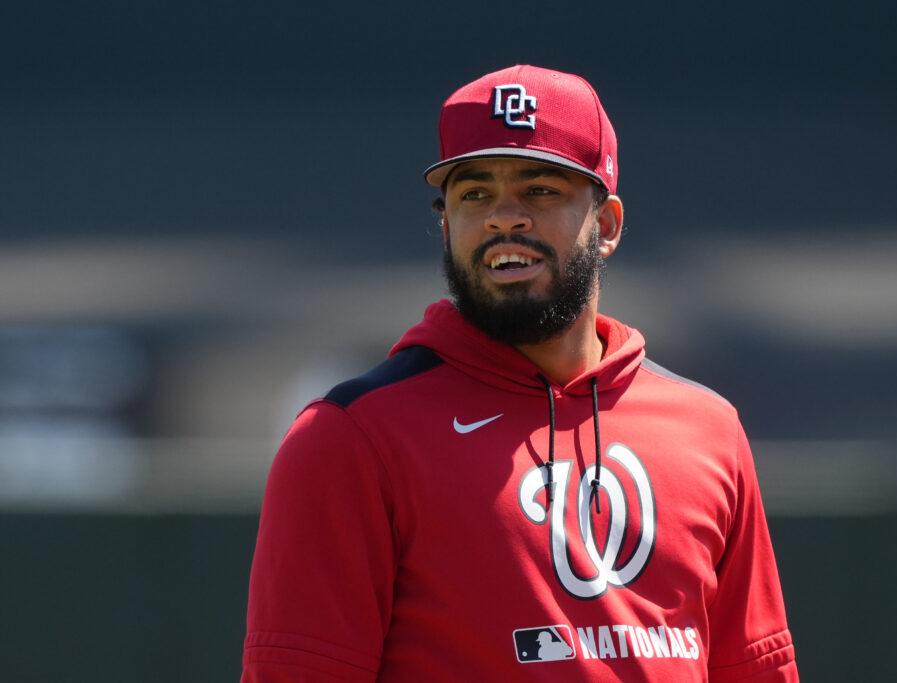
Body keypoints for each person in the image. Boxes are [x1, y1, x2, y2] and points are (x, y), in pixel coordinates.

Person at [241, 64, 798, 681]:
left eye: (541, 190)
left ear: (607, 225)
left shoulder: (709, 430)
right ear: (447, 225)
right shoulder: (350, 438)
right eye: (475, 193)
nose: (505, 217)